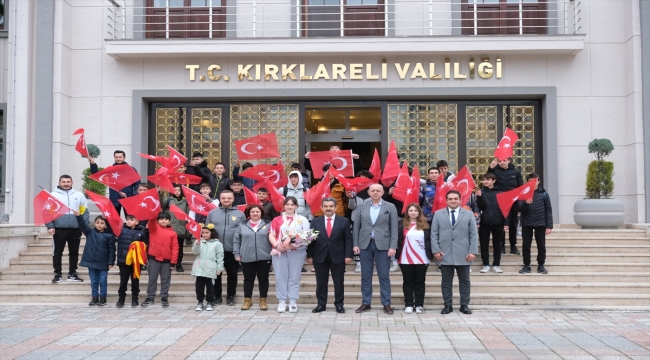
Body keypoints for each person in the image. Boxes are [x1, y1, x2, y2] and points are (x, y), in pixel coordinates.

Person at [352, 183, 398, 315]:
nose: (376, 193)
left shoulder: (390, 207)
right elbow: (356, 227)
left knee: (384, 276)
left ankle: (386, 303)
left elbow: (394, 228)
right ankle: (366, 303)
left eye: (378, 190)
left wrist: (393, 246)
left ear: (383, 192)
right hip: (365, 244)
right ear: (369, 192)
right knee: (365, 276)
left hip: (383, 245)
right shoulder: (362, 206)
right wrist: (356, 244)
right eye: (373, 191)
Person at [431, 190, 479, 315]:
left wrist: (473, 251)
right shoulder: (438, 214)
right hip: (444, 253)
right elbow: (434, 233)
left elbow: (473, 234)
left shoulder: (468, 214)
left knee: (465, 281)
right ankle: (448, 305)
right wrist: (436, 250)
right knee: (446, 282)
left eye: (455, 198)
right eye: (450, 199)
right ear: (446, 200)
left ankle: (464, 305)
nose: (453, 201)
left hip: (464, 254)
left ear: (460, 200)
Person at [307, 198, 353, 314]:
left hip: (338, 256)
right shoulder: (315, 222)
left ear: (335, 207)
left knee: (338, 282)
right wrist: (309, 256)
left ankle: (339, 304)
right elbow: (311, 240)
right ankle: (321, 304)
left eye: (331, 206)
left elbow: (348, 240)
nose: (328, 208)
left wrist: (348, 255)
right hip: (320, 256)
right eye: (326, 206)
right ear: (322, 208)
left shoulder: (344, 221)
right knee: (321, 282)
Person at [269, 196, 311, 313]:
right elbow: (271, 235)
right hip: (279, 252)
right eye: (287, 204)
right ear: (284, 206)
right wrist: (277, 246)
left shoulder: (302, 220)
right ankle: (282, 301)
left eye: (292, 204)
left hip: (297, 252)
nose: (289, 207)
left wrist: (296, 245)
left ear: (296, 206)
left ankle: (293, 301)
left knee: (294, 276)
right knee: (280, 277)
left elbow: (307, 236)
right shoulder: (276, 219)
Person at [205, 190, 246, 306]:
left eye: (229, 198)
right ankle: (217, 296)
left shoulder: (240, 214)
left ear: (233, 199)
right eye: (224, 198)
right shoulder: (212, 213)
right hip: (215, 250)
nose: (226, 200)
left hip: (232, 249)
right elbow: (207, 230)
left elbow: (243, 232)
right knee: (216, 274)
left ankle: (230, 296)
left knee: (232, 274)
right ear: (220, 199)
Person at [46, 175, 89, 283]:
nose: (66, 184)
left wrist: (84, 227)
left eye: (68, 182)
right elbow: (47, 212)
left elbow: (85, 212)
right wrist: (50, 226)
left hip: (76, 229)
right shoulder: (53, 195)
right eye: (63, 182)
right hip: (59, 229)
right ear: (59, 182)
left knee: (74, 252)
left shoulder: (79, 195)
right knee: (57, 252)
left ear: (72, 182)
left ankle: (72, 274)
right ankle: (58, 274)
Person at [233, 204, 273, 311]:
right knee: (248, 279)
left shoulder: (268, 224)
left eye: (257, 212)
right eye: (252, 212)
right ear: (249, 213)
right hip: (246, 256)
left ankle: (263, 300)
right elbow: (236, 240)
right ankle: (247, 300)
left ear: (261, 213)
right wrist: (236, 254)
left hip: (264, 257)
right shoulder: (242, 224)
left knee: (263, 279)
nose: (255, 213)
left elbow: (273, 238)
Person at [74, 211, 116, 307]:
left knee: (102, 280)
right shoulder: (90, 232)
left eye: (102, 223)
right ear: (94, 223)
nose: (99, 225)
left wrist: (111, 262)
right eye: (97, 222)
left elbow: (112, 250)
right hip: (91, 262)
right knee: (94, 280)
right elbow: (83, 225)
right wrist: (79, 216)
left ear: (105, 224)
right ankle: (94, 297)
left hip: (103, 262)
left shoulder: (109, 236)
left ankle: (103, 298)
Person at [397, 203, 432, 314]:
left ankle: (419, 305)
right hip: (405, 257)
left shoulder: (426, 224)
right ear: (407, 212)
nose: (413, 212)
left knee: (420, 282)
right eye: (410, 210)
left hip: (422, 258)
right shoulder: (400, 224)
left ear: (419, 212)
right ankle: (408, 304)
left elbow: (430, 240)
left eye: (415, 210)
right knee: (407, 282)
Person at [517, 173, 553, 275]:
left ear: (539, 181)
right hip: (527, 223)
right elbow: (519, 209)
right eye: (530, 181)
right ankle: (526, 265)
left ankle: (541, 265)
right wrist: (526, 203)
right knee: (526, 245)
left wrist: (549, 226)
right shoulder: (523, 194)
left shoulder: (544, 194)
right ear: (527, 182)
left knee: (541, 245)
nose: (533, 182)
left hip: (541, 223)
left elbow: (548, 211)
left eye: (535, 180)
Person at [487, 157, 524, 255]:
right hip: (499, 202)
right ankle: (501, 246)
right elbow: (488, 180)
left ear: (509, 161)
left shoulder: (516, 173)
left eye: (504, 160)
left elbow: (521, 188)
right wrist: (490, 168)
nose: (502, 162)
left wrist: (520, 202)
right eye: (500, 161)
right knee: (500, 224)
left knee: (513, 224)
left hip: (513, 203)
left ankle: (513, 246)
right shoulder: (495, 172)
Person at [142, 212, 179, 307]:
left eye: (166, 219)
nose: (163, 221)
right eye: (161, 219)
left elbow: (175, 248)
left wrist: (173, 262)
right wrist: (153, 214)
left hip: (167, 260)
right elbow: (151, 222)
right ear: (158, 220)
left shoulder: (173, 233)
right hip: (154, 258)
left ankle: (164, 297)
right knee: (152, 279)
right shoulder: (154, 228)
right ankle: (150, 297)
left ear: (169, 221)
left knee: (165, 280)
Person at [89, 150, 141, 217]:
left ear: (124, 158)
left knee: (130, 219)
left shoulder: (131, 169)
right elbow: (96, 174)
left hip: (128, 199)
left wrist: (132, 196)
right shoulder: (111, 169)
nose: (118, 159)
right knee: (114, 220)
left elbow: (138, 184)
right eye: (116, 157)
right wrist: (93, 163)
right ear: (114, 158)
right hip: (114, 199)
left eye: (120, 157)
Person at [475, 173, 507, 274]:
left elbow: (505, 208)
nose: (485, 181)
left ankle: (496, 265)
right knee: (484, 245)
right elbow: (481, 206)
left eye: (488, 179)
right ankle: (486, 265)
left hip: (498, 222)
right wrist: (479, 197)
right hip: (484, 222)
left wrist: (506, 222)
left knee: (498, 245)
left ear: (494, 181)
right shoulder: (480, 192)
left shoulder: (501, 192)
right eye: (484, 180)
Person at [346, 170, 375, 273]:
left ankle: (371, 264)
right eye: (360, 177)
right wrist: (352, 198)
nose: (362, 179)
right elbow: (351, 207)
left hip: (370, 221)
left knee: (370, 242)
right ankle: (358, 264)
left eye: (365, 177)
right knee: (357, 242)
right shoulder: (353, 190)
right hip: (356, 220)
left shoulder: (373, 190)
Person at [115, 215, 147, 307]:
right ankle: (121, 299)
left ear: (137, 222)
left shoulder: (142, 232)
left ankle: (135, 298)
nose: (128, 221)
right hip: (124, 260)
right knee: (123, 281)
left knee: (135, 281)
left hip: (136, 261)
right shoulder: (121, 230)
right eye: (127, 220)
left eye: (131, 220)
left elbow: (145, 246)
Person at [192, 224, 224, 311]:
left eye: (207, 232)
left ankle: (210, 302)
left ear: (211, 233)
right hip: (199, 268)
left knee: (210, 287)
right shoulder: (199, 242)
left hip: (211, 268)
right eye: (203, 233)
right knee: (199, 287)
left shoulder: (217, 244)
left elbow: (220, 257)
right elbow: (195, 252)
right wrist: (197, 244)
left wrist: (219, 268)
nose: (205, 234)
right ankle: (200, 302)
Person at [162, 184, 191, 271]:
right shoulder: (168, 200)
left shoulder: (186, 202)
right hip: (170, 228)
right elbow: (161, 203)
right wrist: (160, 192)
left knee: (179, 249)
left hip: (181, 229)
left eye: (178, 190)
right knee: (168, 248)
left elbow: (189, 217)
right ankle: (168, 263)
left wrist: (188, 231)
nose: (177, 192)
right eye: (175, 190)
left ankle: (178, 264)